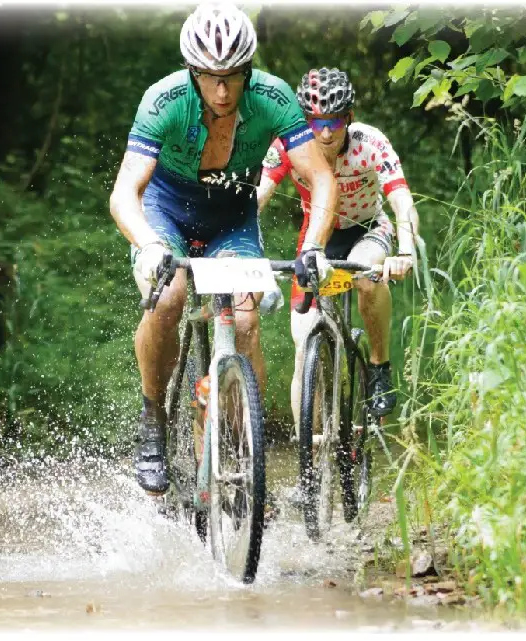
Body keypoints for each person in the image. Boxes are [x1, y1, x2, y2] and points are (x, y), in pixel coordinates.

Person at [109, 4, 339, 495]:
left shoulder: (273, 98)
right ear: (193, 72)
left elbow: (320, 178)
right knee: (167, 298)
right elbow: (124, 192)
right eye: (211, 78)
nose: (221, 91)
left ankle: (241, 445)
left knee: (247, 320)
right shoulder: (164, 100)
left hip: (232, 218)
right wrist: (148, 245)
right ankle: (153, 415)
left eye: (233, 77)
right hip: (165, 213)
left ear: (248, 71)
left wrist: (316, 246)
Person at [257, 67, 421, 433]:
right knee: (304, 348)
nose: (326, 132)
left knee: (365, 274)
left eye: (334, 121)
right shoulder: (289, 144)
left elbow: (402, 201)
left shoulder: (370, 144)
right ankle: (307, 467)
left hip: (367, 230)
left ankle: (378, 368)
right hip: (318, 238)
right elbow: (260, 195)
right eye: (316, 123)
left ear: (349, 117)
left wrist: (406, 250)